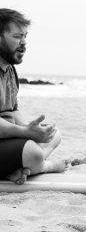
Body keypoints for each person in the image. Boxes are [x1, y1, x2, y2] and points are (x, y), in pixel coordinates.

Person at [0, 9, 69, 184]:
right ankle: (47, 165)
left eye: (25, 37)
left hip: (5, 138)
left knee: (54, 134)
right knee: (33, 153)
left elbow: (13, 111)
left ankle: (15, 170)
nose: (23, 43)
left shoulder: (9, 70)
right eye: (17, 36)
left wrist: (30, 128)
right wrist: (24, 132)